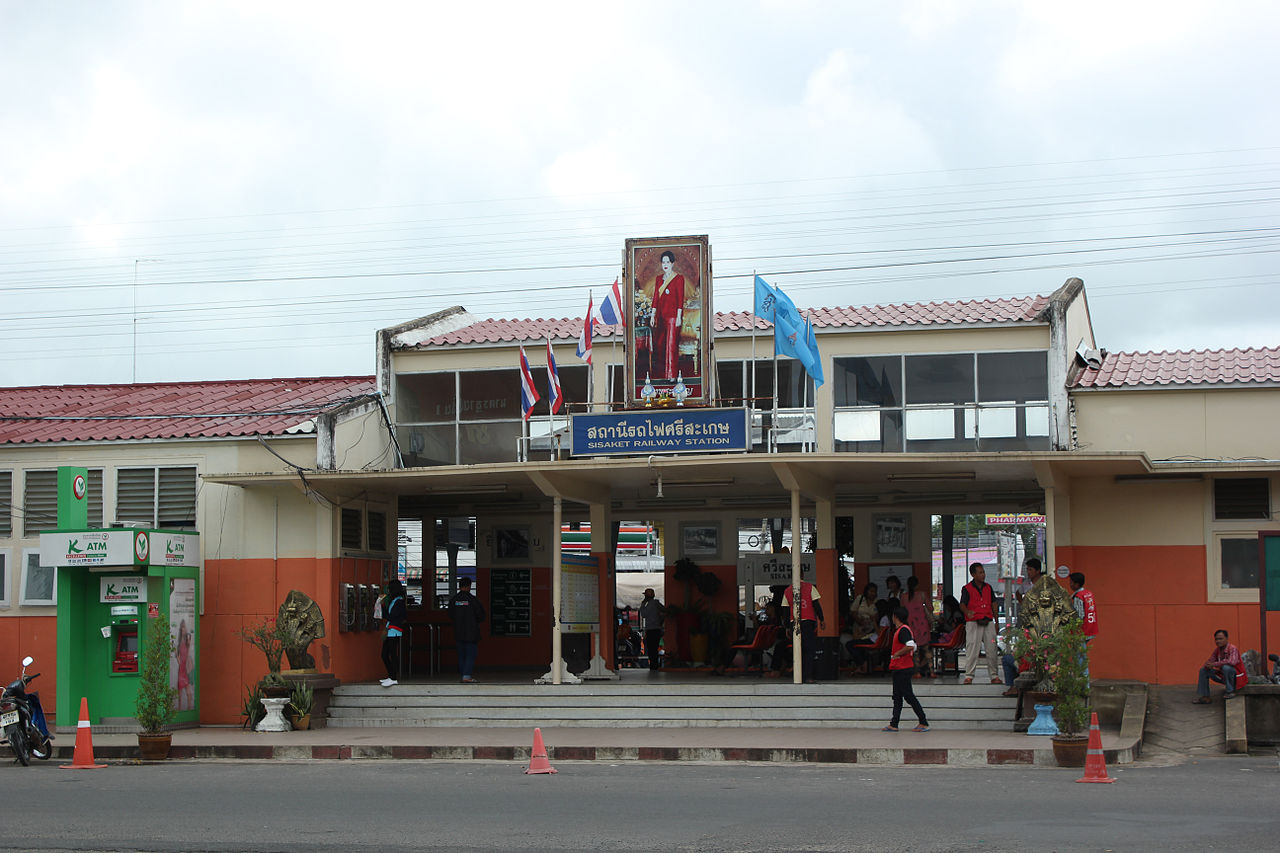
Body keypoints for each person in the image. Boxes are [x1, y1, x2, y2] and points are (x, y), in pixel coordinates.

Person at [882, 606, 929, 732]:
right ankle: (894, 723)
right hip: (900, 667)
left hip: (903, 667)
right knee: (897, 696)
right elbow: (914, 646)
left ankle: (923, 722)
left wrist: (898, 653)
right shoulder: (904, 630)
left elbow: (910, 645)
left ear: (895, 617)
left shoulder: (903, 630)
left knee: (908, 696)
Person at [961, 562, 1001, 685]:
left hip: (988, 620)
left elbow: (994, 604)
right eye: (980, 572)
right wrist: (968, 612)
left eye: (983, 572)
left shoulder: (988, 588)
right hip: (973, 621)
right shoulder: (966, 588)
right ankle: (969, 675)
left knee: (992, 649)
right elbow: (962, 604)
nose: (983, 574)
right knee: (972, 648)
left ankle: (994, 675)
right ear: (973, 574)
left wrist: (996, 621)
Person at [649, 250, 685, 379]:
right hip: (661, 317)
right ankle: (663, 373)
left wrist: (679, 317)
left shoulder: (678, 278)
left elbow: (680, 298)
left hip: (673, 317)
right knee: (661, 345)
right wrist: (652, 315)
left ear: (672, 263)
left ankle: (671, 375)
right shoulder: (659, 279)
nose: (665, 264)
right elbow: (655, 298)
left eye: (668, 262)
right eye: (663, 262)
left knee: (671, 346)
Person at [783, 578, 826, 683]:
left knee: (797, 650)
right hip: (807, 622)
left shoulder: (788, 590)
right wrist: (822, 619)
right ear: (803, 574)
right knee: (809, 650)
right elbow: (816, 605)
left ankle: (798, 676)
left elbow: (785, 610)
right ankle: (808, 676)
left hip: (794, 623)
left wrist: (787, 627)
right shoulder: (810, 587)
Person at [449, 577, 486, 683]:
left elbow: (450, 614)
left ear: (459, 586)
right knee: (470, 654)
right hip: (471, 632)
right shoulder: (473, 600)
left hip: (458, 631)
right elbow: (481, 615)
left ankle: (463, 675)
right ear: (469, 586)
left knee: (461, 655)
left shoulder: (454, 600)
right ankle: (467, 676)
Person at [1194, 628, 1245, 703]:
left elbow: (1232, 662)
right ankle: (1205, 697)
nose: (1218, 641)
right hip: (1223, 676)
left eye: (1221, 639)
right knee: (1203, 670)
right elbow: (1211, 660)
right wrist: (1208, 665)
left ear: (1227, 639)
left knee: (1226, 667)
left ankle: (1230, 691)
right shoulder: (1217, 650)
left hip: (1236, 678)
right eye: (1216, 639)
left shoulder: (1233, 648)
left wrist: (1214, 664)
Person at [380, 579, 407, 687]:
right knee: (385, 654)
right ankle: (391, 675)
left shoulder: (399, 602)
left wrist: (382, 606)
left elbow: (390, 616)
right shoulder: (395, 601)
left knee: (391, 654)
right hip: (390, 630)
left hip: (394, 631)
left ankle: (393, 677)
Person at [905, 575, 933, 677]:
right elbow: (931, 608)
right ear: (917, 585)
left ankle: (917, 672)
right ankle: (932, 671)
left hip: (911, 626)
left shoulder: (904, 596)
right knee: (926, 649)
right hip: (923, 625)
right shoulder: (922, 595)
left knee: (915, 651)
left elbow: (902, 611)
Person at [638, 587, 666, 671]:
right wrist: (660, 620)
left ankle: (653, 666)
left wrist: (643, 604)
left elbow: (643, 614)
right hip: (657, 629)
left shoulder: (648, 605)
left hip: (650, 630)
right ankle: (655, 665)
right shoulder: (657, 603)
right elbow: (665, 611)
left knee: (650, 649)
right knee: (655, 648)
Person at [1069, 572, 1098, 643]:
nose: (1070, 585)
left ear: (1077, 584)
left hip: (1082, 631)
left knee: (1080, 653)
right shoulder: (1088, 593)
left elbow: (1079, 616)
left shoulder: (1078, 597)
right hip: (1090, 628)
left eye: (1071, 582)